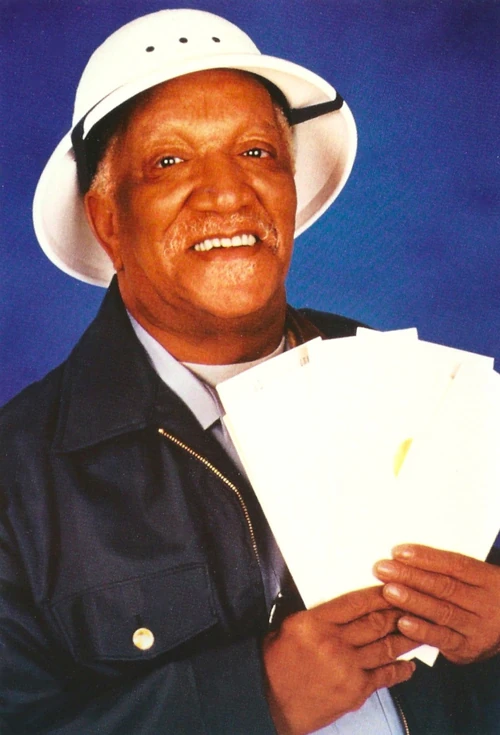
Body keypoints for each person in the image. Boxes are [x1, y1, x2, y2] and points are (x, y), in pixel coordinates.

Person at [1, 9, 499, 735]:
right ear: (108, 219)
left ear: (291, 186)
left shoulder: (420, 386)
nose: (228, 193)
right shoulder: (16, 482)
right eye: (169, 162)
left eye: (257, 152)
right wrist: (252, 699)